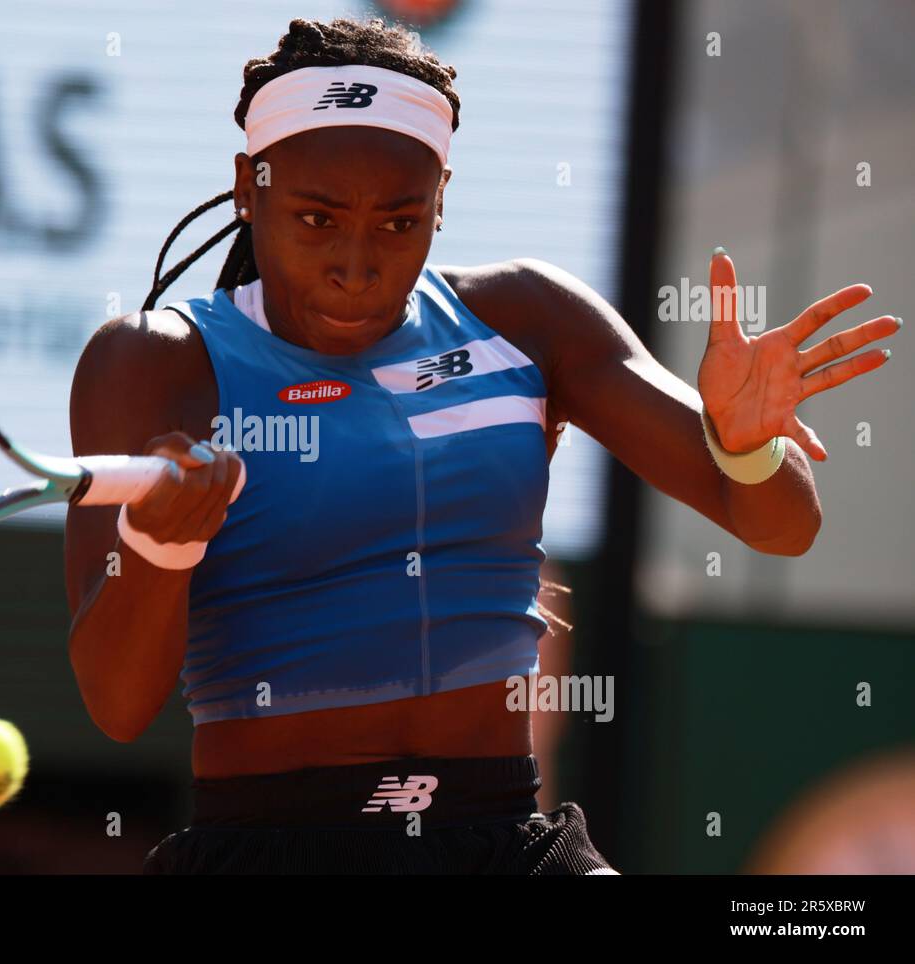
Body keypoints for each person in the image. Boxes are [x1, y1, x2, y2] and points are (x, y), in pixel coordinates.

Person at [64, 17, 897, 874]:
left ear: (442, 198)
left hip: (505, 837)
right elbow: (117, 703)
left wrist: (746, 445)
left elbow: (778, 526)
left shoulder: (528, 317)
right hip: (263, 848)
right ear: (249, 186)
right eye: (316, 218)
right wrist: (161, 542)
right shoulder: (154, 362)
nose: (356, 265)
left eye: (399, 222)